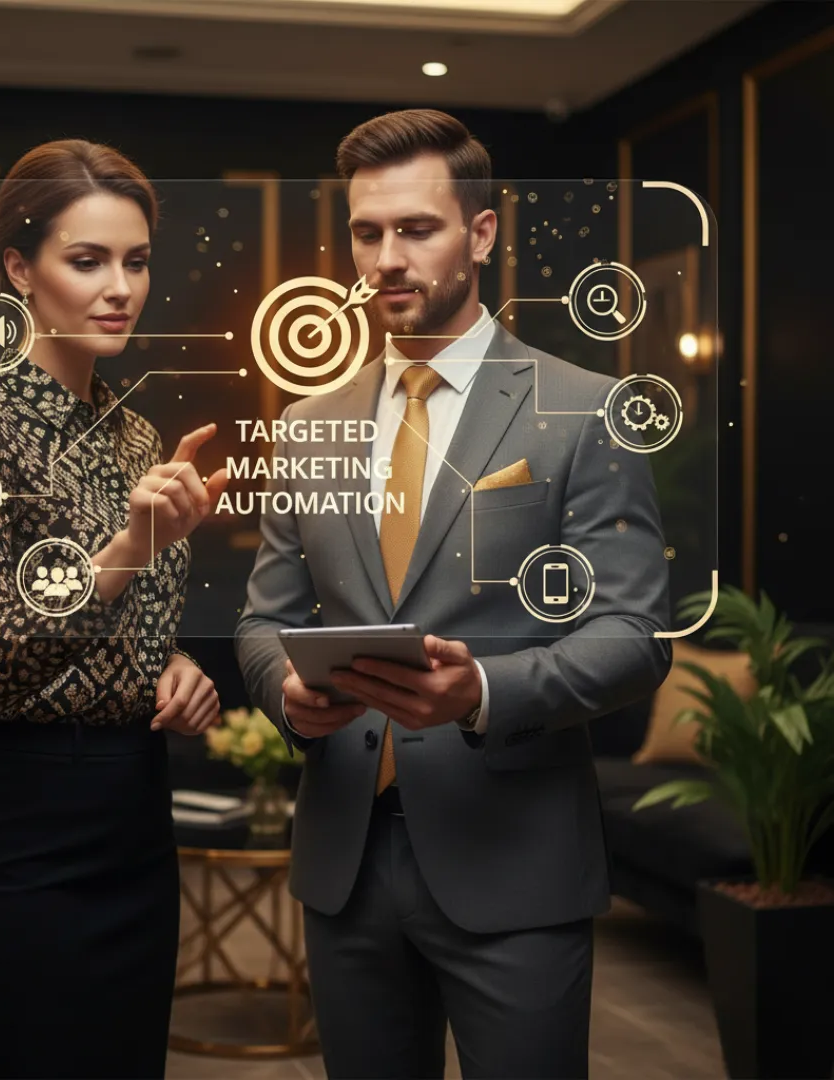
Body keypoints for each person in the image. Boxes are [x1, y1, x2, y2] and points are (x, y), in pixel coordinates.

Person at [235, 109, 671, 1078]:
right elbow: (263, 620)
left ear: (480, 233)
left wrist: (483, 691)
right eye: (366, 232)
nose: (386, 258)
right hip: (345, 861)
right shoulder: (308, 427)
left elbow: (635, 634)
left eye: (416, 229)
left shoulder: (585, 411)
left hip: (514, 861)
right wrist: (287, 694)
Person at [0, 139, 229, 1079]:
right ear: (21, 267)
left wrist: (174, 672)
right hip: (18, 828)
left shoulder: (138, 436)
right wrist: (127, 551)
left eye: (134, 261)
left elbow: (138, 637)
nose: (119, 285)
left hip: (133, 815)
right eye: (86, 260)